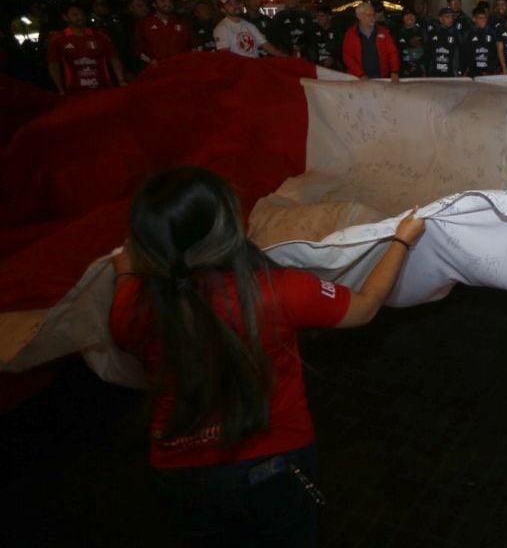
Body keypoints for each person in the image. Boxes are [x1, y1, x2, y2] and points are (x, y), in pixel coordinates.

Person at [109, 166, 425, 546]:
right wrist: (401, 242)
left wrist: (124, 275)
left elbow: (159, 303)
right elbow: (365, 307)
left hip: (177, 474)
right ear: (229, 230)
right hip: (271, 466)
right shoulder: (280, 292)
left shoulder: (128, 307)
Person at [47, 3, 126, 93]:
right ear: (65, 17)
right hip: (75, 92)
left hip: (104, 89)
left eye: (82, 14)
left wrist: (121, 81)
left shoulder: (100, 36)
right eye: (75, 15)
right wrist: (61, 90)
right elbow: (53, 65)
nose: (80, 17)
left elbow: (114, 58)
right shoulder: (59, 39)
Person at [342, 2, 400, 82]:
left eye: (373, 15)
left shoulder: (384, 32)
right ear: (359, 16)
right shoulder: (351, 34)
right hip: (358, 79)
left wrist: (394, 71)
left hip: (381, 78)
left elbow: (393, 52)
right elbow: (348, 57)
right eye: (369, 15)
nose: (373, 18)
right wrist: (361, 75)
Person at [134, 0, 196, 66]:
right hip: (158, 69)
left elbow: (193, 43)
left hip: (182, 67)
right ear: (154, 4)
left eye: (170, 1)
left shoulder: (181, 22)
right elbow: (138, 48)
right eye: (162, 1)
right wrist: (150, 60)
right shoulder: (144, 24)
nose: (167, 4)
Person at [214, 0, 285, 59]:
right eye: (230, 4)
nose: (235, 6)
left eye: (236, 3)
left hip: (254, 66)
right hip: (239, 68)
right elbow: (225, 54)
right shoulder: (221, 28)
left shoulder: (248, 25)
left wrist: (283, 56)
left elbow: (265, 44)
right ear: (223, 10)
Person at [425, 7, 460, 78]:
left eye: (452, 17)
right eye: (447, 17)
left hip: (451, 73)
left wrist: (458, 71)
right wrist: (427, 70)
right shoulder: (432, 34)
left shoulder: (457, 34)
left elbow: (460, 53)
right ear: (441, 19)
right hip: (434, 73)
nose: (451, 19)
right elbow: (428, 53)